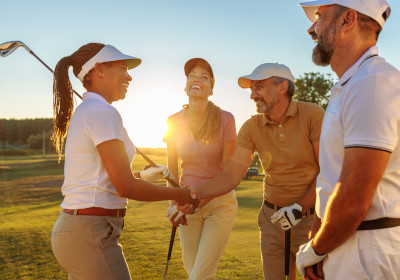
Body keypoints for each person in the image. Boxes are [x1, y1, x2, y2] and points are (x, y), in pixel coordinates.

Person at [50, 43, 197, 280]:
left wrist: (142, 176)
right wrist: (180, 194)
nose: (128, 76)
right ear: (99, 69)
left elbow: (105, 180)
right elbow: (125, 187)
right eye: (122, 68)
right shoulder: (101, 113)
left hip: (78, 232)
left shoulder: (92, 111)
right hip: (91, 234)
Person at [189, 62, 325, 279]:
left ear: (282, 87)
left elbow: (327, 170)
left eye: (258, 87)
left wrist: (299, 208)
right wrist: (191, 194)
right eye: (252, 89)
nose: (253, 95)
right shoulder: (251, 127)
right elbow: (232, 175)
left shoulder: (312, 115)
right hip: (272, 221)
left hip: (311, 220)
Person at [296, 1, 400, 279]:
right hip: (346, 244)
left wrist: (316, 249)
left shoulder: (373, 82)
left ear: (347, 20)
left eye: (319, 17)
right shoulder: (352, 84)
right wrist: (318, 241)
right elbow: (331, 179)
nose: (311, 28)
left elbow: (353, 197)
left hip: (368, 253)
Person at [164, 58, 238, 280]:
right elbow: (172, 170)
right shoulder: (173, 121)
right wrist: (174, 205)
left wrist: (198, 199)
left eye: (204, 77)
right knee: (193, 268)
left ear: (211, 89)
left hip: (219, 203)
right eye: (192, 76)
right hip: (186, 202)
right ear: (186, 85)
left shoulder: (226, 119)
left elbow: (228, 171)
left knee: (200, 275)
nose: (196, 79)